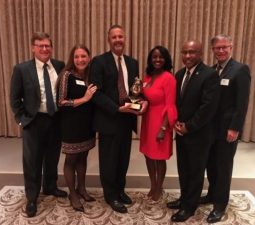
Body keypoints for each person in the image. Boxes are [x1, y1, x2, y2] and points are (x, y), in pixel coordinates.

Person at [10, 32, 67, 217]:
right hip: (34, 121)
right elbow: (14, 98)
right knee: (32, 161)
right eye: (40, 45)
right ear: (33, 47)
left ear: (51, 47)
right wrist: (21, 119)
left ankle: (50, 186)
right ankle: (32, 197)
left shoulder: (59, 66)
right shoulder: (22, 69)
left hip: (55, 119)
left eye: (47, 45)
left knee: (52, 157)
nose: (44, 49)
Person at [89, 24, 144, 214]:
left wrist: (140, 103)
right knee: (109, 160)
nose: (118, 40)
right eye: (114, 37)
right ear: (108, 40)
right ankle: (110, 195)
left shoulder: (132, 62)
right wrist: (116, 108)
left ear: (125, 38)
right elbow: (96, 93)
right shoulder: (99, 62)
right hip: (109, 119)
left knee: (123, 159)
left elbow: (136, 89)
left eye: (121, 36)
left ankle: (120, 190)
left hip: (127, 120)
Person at [166, 40, 220, 222]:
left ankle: (189, 208)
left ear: (201, 53)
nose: (188, 56)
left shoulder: (210, 75)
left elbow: (208, 108)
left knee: (196, 171)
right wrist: (176, 124)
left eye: (192, 52)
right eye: (185, 52)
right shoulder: (180, 74)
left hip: (199, 134)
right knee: (184, 169)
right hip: (182, 132)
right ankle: (184, 198)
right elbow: (177, 103)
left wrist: (189, 126)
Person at [199, 34, 251, 223]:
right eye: (217, 48)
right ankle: (212, 195)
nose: (221, 51)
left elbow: (242, 102)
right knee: (211, 165)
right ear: (212, 50)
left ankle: (220, 205)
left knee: (223, 167)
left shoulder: (240, 69)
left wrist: (235, 128)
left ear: (231, 47)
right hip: (210, 130)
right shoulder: (212, 70)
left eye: (224, 47)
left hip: (227, 130)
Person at [57, 45, 97, 212]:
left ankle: (82, 189)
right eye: (77, 56)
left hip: (87, 125)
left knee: (83, 157)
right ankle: (72, 194)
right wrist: (84, 98)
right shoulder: (67, 75)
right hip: (71, 124)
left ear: (89, 57)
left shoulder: (90, 75)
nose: (80, 60)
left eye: (84, 56)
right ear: (72, 59)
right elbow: (61, 101)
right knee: (71, 160)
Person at [140, 46, 177, 201]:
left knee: (159, 157)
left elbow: (170, 105)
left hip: (161, 121)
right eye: (154, 57)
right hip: (148, 120)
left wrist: (163, 128)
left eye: (161, 57)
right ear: (150, 59)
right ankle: (153, 185)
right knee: (148, 155)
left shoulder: (169, 78)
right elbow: (144, 96)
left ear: (166, 59)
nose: (157, 59)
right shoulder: (148, 77)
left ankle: (159, 187)